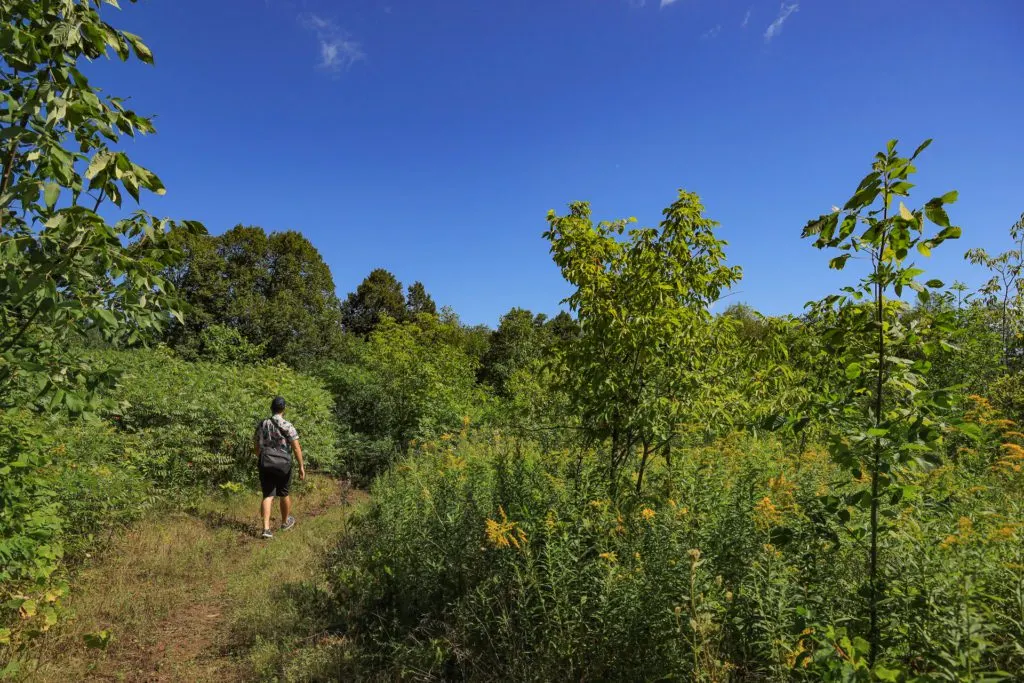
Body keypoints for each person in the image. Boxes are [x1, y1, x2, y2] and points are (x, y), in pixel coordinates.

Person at [254, 396, 306, 539]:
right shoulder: (288, 425)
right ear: (284, 409)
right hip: (283, 464)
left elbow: (256, 445)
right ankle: (284, 522)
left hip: (266, 463)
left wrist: (261, 458)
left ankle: (266, 529)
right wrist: (301, 466)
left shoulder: (262, 424)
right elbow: (296, 447)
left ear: (271, 408)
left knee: (268, 495)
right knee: (284, 493)